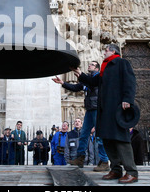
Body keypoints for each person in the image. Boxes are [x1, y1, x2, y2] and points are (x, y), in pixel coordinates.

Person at [73, 43, 139, 184]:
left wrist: (127, 99)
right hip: (105, 109)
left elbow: (130, 81)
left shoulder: (121, 63)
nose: (103, 53)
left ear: (113, 51)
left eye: (106, 50)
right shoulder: (105, 67)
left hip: (117, 107)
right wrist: (81, 75)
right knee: (107, 138)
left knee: (121, 138)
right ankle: (115, 169)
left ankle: (131, 172)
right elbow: (93, 81)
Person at [53, 60, 109, 171]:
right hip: (89, 109)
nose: (89, 65)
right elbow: (76, 87)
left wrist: (81, 75)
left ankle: (104, 161)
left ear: (97, 68)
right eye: (90, 64)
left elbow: (93, 85)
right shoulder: (87, 80)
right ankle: (80, 157)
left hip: (98, 109)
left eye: (92, 65)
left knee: (99, 136)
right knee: (83, 134)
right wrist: (62, 83)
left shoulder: (99, 78)